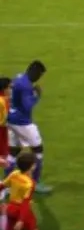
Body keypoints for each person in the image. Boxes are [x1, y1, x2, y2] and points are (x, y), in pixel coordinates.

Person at [8, 61, 49, 193]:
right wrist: (36, 95)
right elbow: (27, 106)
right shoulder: (26, 85)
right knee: (38, 150)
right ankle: (34, 183)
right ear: (35, 72)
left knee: (13, 152)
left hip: (10, 119)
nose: (39, 78)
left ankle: (7, 184)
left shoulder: (18, 77)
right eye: (39, 75)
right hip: (22, 122)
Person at [3, 152, 36, 230]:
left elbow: (2, 185)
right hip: (21, 211)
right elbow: (25, 203)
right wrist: (21, 220)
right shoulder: (30, 183)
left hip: (10, 209)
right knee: (32, 227)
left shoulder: (14, 174)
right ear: (32, 166)